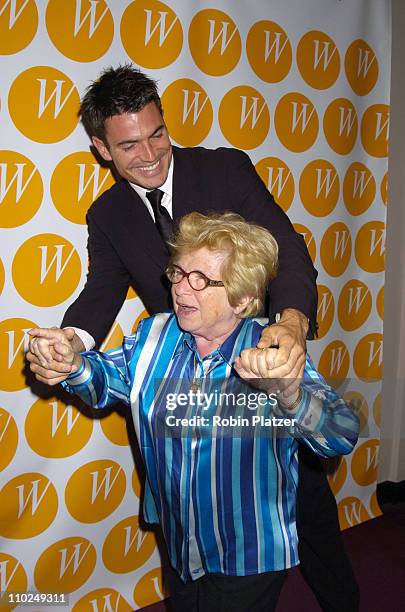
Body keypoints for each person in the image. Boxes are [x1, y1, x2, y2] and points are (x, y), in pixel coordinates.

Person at [27, 66, 360, 611]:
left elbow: (288, 249)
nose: (151, 153)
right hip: (175, 368)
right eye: (130, 144)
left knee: (304, 507)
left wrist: (291, 325)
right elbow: (102, 291)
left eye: (157, 133)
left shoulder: (224, 170)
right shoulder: (107, 213)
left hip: (256, 365)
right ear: (101, 148)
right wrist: (70, 341)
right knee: (187, 505)